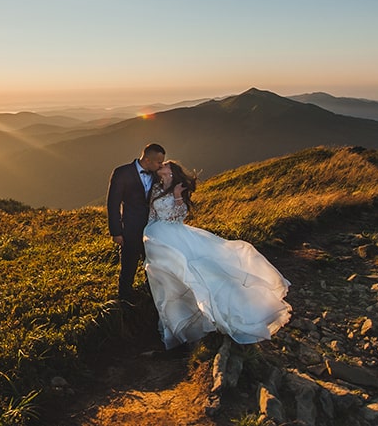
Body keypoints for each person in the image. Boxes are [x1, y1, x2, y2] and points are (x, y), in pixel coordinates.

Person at [143, 161, 291, 348]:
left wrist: (178, 196)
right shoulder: (156, 187)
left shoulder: (178, 187)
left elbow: (180, 217)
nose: (161, 165)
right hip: (155, 233)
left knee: (192, 272)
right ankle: (179, 321)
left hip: (175, 233)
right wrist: (147, 231)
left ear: (171, 171)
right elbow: (152, 213)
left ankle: (209, 317)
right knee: (166, 278)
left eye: (164, 164)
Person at [107, 143, 166, 302]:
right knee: (128, 266)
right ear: (147, 159)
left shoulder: (157, 174)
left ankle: (152, 296)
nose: (162, 165)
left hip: (153, 229)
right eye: (159, 162)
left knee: (152, 264)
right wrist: (116, 232)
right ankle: (124, 300)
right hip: (131, 229)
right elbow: (113, 204)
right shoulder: (122, 172)